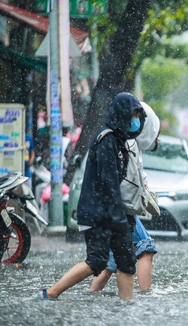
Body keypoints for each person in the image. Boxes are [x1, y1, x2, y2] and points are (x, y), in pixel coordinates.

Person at [35, 92, 146, 300]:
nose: (136, 120)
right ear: (122, 114)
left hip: (109, 212)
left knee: (126, 261)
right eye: (133, 115)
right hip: (100, 214)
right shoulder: (107, 140)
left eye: (139, 115)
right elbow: (108, 184)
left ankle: (126, 307)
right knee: (97, 261)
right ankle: (50, 293)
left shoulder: (118, 139)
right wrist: (120, 220)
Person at [90, 102, 161, 293]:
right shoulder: (126, 142)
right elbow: (128, 179)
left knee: (110, 261)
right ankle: (144, 296)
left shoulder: (125, 140)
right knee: (146, 248)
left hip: (114, 206)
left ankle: (91, 295)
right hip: (120, 207)